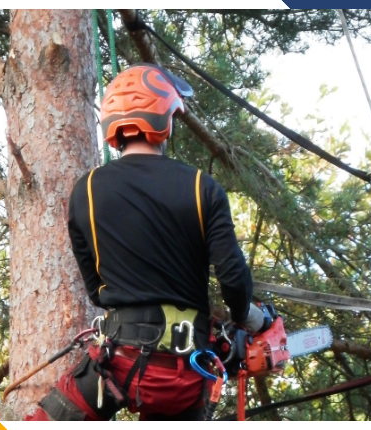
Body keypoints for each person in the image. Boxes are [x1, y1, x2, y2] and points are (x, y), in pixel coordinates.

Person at [27, 63, 264, 421]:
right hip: (185, 372)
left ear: (113, 125)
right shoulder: (202, 187)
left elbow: (96, 290)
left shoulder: (86, 192)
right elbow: (232, 278)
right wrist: (249, 317)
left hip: (117, 363)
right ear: (165, 118)